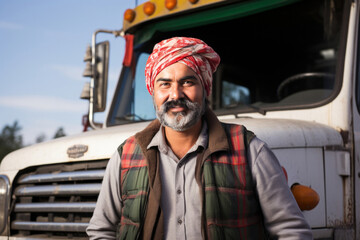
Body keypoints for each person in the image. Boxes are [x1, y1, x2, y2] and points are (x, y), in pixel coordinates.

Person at [86, 37, 313, 239]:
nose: (175, 95)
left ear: (205, 88)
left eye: (188, 82)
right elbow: (101, 231)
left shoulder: (250, 150)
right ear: (153, 92)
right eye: (165, 84)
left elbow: (291, 230)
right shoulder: (125, 156)